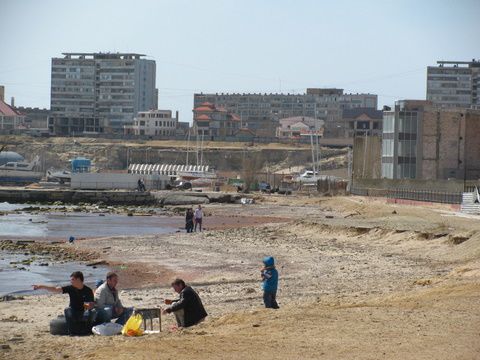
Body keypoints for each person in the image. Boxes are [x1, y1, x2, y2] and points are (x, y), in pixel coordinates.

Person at [33, 271, 96, 335]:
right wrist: (41, 286)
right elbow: (56, 289)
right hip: (73, 311)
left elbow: (91, 305)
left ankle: (87, 331)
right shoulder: (70, 288)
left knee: (92, 311)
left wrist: (88, 306)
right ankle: (72, 332)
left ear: (78, 279)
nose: (70, 281)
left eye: (72, 280)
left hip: (83, 312)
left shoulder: (88, 290)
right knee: (67, 309)